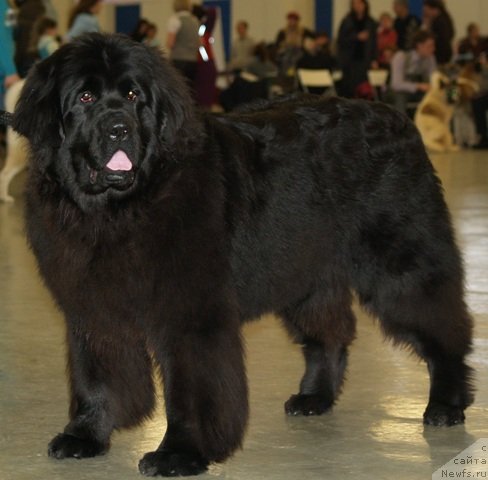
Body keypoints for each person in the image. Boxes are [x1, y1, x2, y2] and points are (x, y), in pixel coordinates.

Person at [389, 30, 436, 115]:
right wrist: (418, 86)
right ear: (419, 46)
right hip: (396, 92)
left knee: (433, 96)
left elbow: (432, 78)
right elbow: (396, 84)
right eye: (429, 46)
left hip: (417, 92)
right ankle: (401, 125)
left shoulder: (430, 59)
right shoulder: (401, 57)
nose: (433, 49)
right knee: (401, 96)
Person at [337, 0, 377, 98]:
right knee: (349, 88)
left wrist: (374, 58)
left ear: (365, 5)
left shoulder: (371, 22)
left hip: (364, 60)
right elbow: (341, 40)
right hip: (349, 60)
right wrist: (356, 37)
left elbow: (374, 42)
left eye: (359, 3)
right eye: (354, 4)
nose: (357, 6)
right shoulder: (347, 21)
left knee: (363, 89)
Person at [275, 11, 314, 90]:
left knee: (295, 59)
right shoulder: (283, 32)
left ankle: (292, 80)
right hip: (286, 53)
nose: (292, 22)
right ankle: (285, 82)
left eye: (294, 20)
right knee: (286, 58)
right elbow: (277, 45)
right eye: (290, 20)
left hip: (299, 53)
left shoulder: (303, 31)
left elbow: (313, 40)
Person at [166, 0, 200, 88]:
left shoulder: (175, 20)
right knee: (190, 88)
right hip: (193, 60)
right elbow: (200, 43)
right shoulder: (195, 21)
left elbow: (170, 43)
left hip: (179, 60)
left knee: (179, 88)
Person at [422, 0, 454, 66]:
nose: (426, 13)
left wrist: (428, 25)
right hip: (445, 53)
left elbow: (433, 38)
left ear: (434, 9)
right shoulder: (445, 18)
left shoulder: (439, 22)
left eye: (427, 10)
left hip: (440, 54)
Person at [1, 0, 20, 94]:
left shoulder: (7, 4)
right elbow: (2, 35)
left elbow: (11, 31)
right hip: (4, 69)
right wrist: (10, 70)